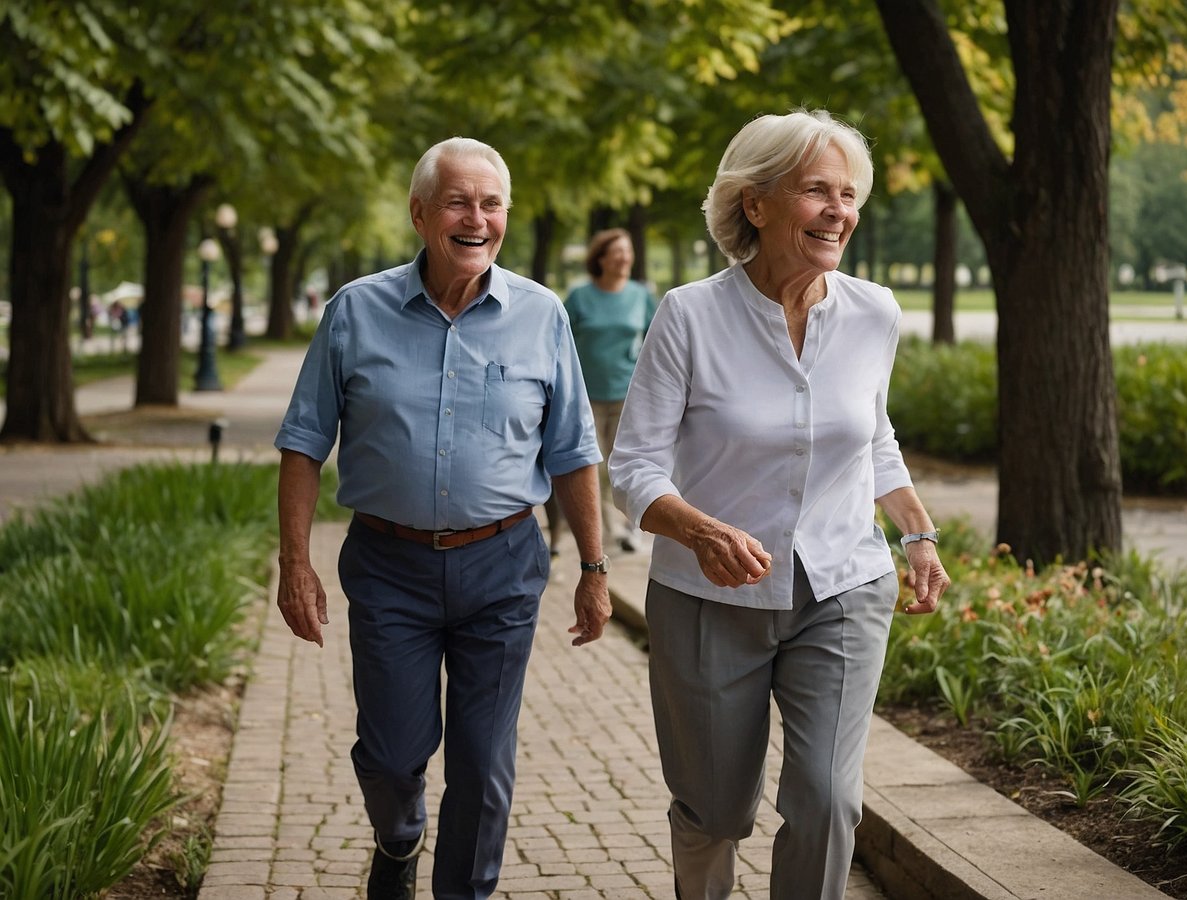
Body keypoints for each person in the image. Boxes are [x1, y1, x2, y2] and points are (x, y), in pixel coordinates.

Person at [608, 109, 951, 900]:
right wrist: (698, 530)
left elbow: (872, 435)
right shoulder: (690, 316)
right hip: (707, 597)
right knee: (715, 809)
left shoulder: (875, 313)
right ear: (755, 204)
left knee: (828, 800)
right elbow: (633, 468)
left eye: (848, 194)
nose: (840, 210)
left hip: (840, 584)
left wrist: (916, 533)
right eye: (815, 191)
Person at [274, 137, 613, 900]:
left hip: (504, 563)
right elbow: (302, 443)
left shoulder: (541, 315)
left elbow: (572, 451)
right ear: (421, 214)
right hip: (389, 566)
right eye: (459, 202)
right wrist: (295, 564)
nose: (476, 219)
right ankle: (398, 839)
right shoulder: (356, 310)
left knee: (483, 761)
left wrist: (594, 570)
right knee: (394, 756)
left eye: (491, 204)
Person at [563, 228, 657, 554]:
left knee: (629, 464)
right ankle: (607, 529)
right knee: (595, 467)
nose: (625, 258)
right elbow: (562, 342)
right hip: (586, 395)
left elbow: (656, 342)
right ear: (601, 258)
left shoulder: (640, 296)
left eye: (628, 251)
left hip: (628, 392)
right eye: (617, 252)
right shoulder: (579, 297)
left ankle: (633, 530)